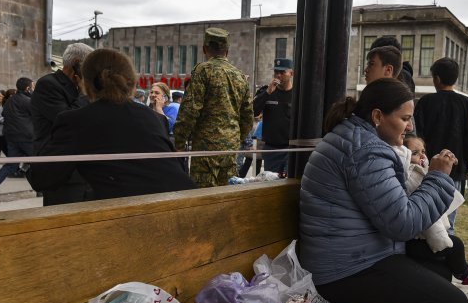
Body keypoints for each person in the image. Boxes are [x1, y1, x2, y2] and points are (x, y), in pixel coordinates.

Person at [300, 78, 468, 303]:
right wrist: (438, 178)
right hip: (343, 270)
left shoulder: (360, 140)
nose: (409, 127)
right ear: (377, 116)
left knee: (439, 266)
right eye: (404, 119)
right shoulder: (364, 150)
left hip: (356, 255)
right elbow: (402, 222)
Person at [28, 49, 195, 200]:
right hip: (179, 207)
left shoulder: (75, 120)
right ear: (130, 83)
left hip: (126, 220)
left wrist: (84, 94)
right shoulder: (153, 118)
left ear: (86, 82)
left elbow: (41, 179)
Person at [400, 135, 468, 285]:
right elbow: (426, 211)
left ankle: (461, 271)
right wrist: (440, 239)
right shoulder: (410, 176)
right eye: (415, 153)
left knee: (445, 270)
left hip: (420, 237)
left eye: (423, 151)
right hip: (416, 240)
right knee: (455, 245)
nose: (422, 156)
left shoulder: (421, 170)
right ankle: (464, 272)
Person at [174, 28, 253, 187]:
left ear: (204, 49)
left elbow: (190, 109)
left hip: (206, 148)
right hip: (230, 148)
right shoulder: (239, 75)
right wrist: (235, 139)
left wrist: (179, 142)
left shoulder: (203, 70)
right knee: (226, 194)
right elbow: (247, 116)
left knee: (204, 196)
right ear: (227, 51)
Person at [31, 42, 93, 205]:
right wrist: (85, 92)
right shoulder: (49, 84)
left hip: (85, 171)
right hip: (62, 171)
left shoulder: (80, 88)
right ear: (77, 64)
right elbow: (66, 119)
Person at [414, 57, 468, 204]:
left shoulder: (425, 102)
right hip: (455, 170)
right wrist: (466, 164)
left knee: (426, 211)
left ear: (436, 79)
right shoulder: (466, 103)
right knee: (449, 218)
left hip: (428, 168)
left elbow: (417, 135)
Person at [0, 77, 34, 203]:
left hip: (11, 137)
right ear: (27, 88)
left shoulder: (9, 101)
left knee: (11, 165)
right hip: (26, 137)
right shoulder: (28, 101)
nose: (33, 89)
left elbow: (5, 116)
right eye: (32, 86)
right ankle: (42, 190)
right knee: (38, 162)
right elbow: (38, 117)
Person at [252, 58, 293, 176]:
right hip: (272, 149)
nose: (278, 75)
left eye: (282, 72)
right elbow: (254, 111)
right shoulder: (267, 91)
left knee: (288, 182)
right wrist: (267, 93)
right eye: (276, 72)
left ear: (291, 73)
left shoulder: (297, 94)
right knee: (272, 182)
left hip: (290, 148)